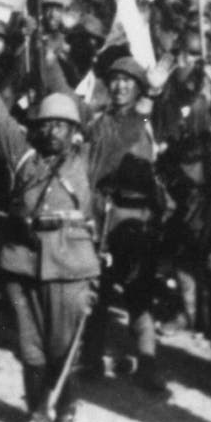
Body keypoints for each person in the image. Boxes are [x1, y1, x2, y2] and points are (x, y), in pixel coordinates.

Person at [0, 58, 101, 422]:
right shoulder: (23, 155)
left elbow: (122, 129)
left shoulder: (88, 161)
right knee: (29, 347)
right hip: (22, 262)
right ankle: (36, 414)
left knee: (64, 346)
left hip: (70, 265)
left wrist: (151, 94)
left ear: (74, 131)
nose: (52, 131)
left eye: (61, 125)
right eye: (46, 124)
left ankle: (66, 415)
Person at [82, 53, 167, 396]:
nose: (119, 87)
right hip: (102, 212)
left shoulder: (146, 119)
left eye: (127, 81)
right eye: (115, 80)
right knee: (97, 288)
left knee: (138, 293)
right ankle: (90, 358)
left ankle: (148, 363)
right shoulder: (98, 121)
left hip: (134, 217)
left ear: (138, 88)